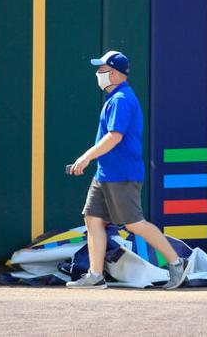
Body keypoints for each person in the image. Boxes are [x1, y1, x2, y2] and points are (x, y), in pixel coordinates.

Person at [66, 50, 187, 289]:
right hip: (105, 174)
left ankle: (176, 262)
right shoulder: (114, 98)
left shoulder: (121, 99)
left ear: (114, 74)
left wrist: (86, 157)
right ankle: (95, 275)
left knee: (134, 223)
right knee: (92, 219)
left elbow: (115, 136)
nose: (97, 73)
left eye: (101, 69)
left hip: (122, 174)